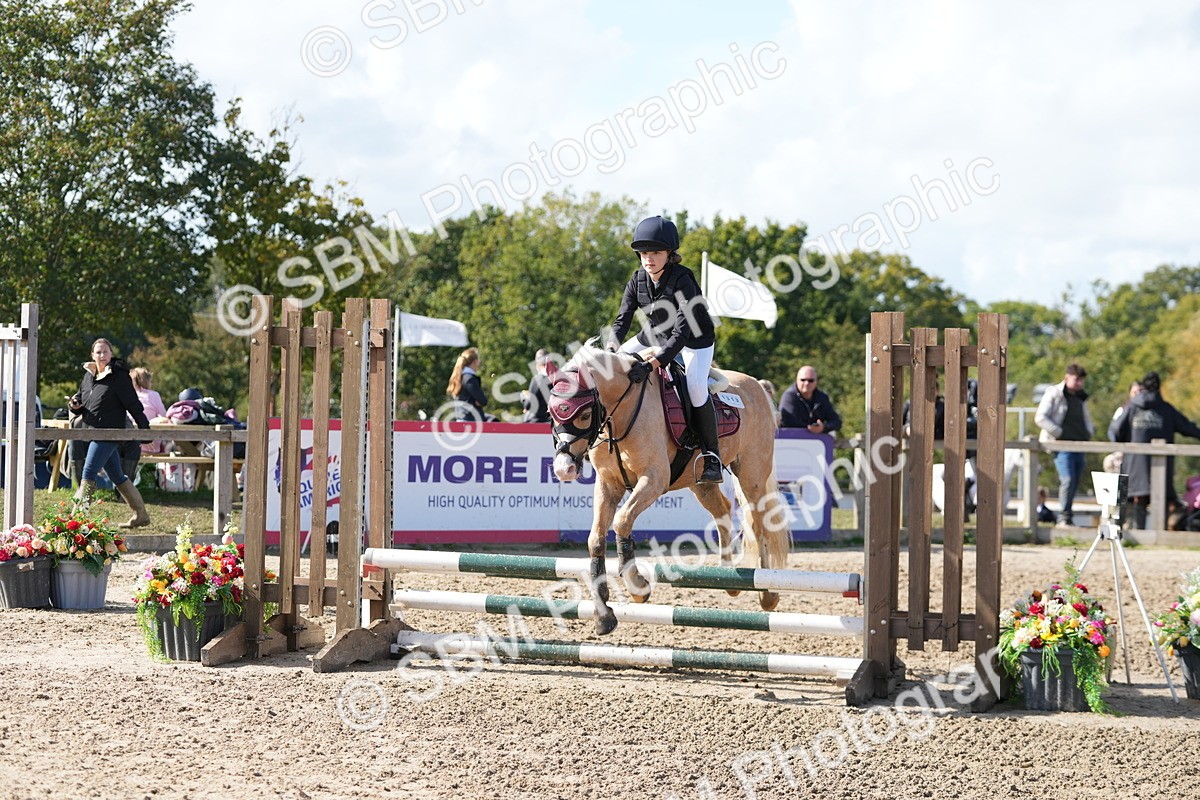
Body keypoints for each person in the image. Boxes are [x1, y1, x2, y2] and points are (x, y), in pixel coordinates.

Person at [607, 215, 722, 483]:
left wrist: (651, 365)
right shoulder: (637, 280)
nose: (649, 258)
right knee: (612, 365)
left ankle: (711, 456)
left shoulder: (684, 279)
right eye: (644, 253)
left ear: (669, 254)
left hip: (695, 341)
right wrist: (612, 349)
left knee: (695, 387)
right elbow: (622, 319)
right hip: (655, 335)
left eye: (656, 252)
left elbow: (682, 332)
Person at [68, 338, 151, 527]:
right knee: (117, 475)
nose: (102, 355)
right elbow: (81, 400)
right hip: (91, 432)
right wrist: (74, 405)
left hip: (110, 433)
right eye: (98, 352)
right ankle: (141, 515)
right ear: (92, 355)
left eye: (105, 352)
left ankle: (75, 522)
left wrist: (144, 429)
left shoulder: (119, 376)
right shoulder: (88, 376)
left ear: (111, 354)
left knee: (88, 474)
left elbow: (133, 404)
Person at [1111, 371, 1200, 529]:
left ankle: (1139, 535)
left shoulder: (1131, 407)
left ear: (1143, 386)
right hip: (1161, 467)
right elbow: (1188, 428)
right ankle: (1160, 535)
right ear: (1159, 387)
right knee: (1162, 498)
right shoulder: (1166, 409)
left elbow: (1116, 431)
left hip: (1135, 466)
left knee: (1139, 499)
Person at [1034, 363, 1094, 527]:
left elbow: (1086, 418)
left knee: (1075, 481)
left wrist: (1089, 432)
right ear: (1067, 377)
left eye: (1081, 380)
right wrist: (1058, 432)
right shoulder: (1055, 393)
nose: (1079, 383)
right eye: (1076, 380)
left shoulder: (1081, 396)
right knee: (1067, 479)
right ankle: (1063, 517)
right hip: (1061, 445)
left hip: (1079, 444)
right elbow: (1040, 417)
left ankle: (1067, 515)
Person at [120, 367, 170, 479]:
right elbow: (164, 416)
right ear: (147, 381)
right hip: (151, 445)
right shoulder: (153, 395)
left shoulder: (125, 396)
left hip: (128, 442)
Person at [779, 366, 842, 436]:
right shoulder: (789, 396)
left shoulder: (822, 397)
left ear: (816, 381)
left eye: (810, 380)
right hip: (792, 440)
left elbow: (837, 422)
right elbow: (787, 422)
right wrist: (809, 428)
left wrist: (823, 428)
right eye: (803, 380)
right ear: (796, 380)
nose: (806, 383)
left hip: (817, 443)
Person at [446, 347, 495, 423]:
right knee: (494, 421)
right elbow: (483, 401)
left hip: (461, 418)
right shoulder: (469, 379)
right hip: (471, 420)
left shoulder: (460, 377)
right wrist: (475, 402)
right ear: (475, 362)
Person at [522, 349, 555, 424]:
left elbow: (529, 404)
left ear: (537, 364)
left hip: (538, 423)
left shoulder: (538, 379)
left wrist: (523, 398)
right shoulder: (558, 378)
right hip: (553, 423)